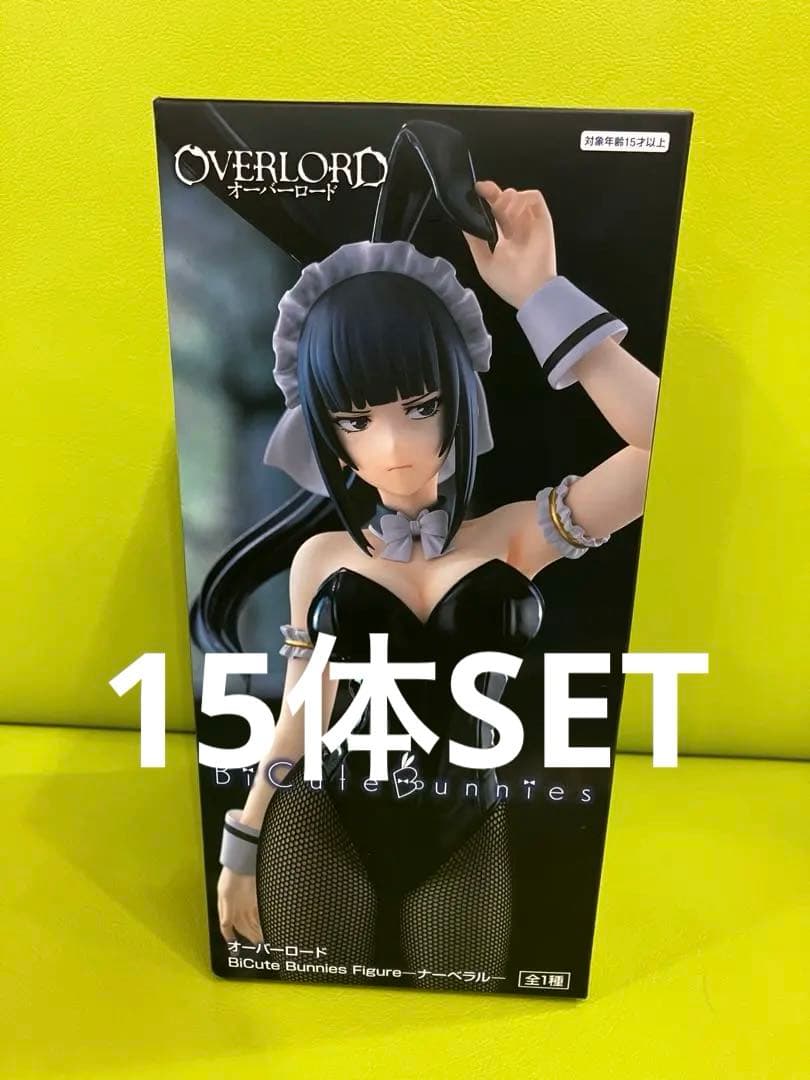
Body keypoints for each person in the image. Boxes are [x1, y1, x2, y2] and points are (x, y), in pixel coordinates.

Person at [215, 180, 660, 988]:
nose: (391, 445)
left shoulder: (517, 536)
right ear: (323, 430)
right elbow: (302, 713)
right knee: (306, 1013)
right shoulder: (322, 559)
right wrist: (242, 842)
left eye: (419, 406)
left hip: (467, 827)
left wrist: (540, 295)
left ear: (459, 395)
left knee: (467, 1016)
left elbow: (666, 447)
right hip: (319, 820)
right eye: (355, 420)